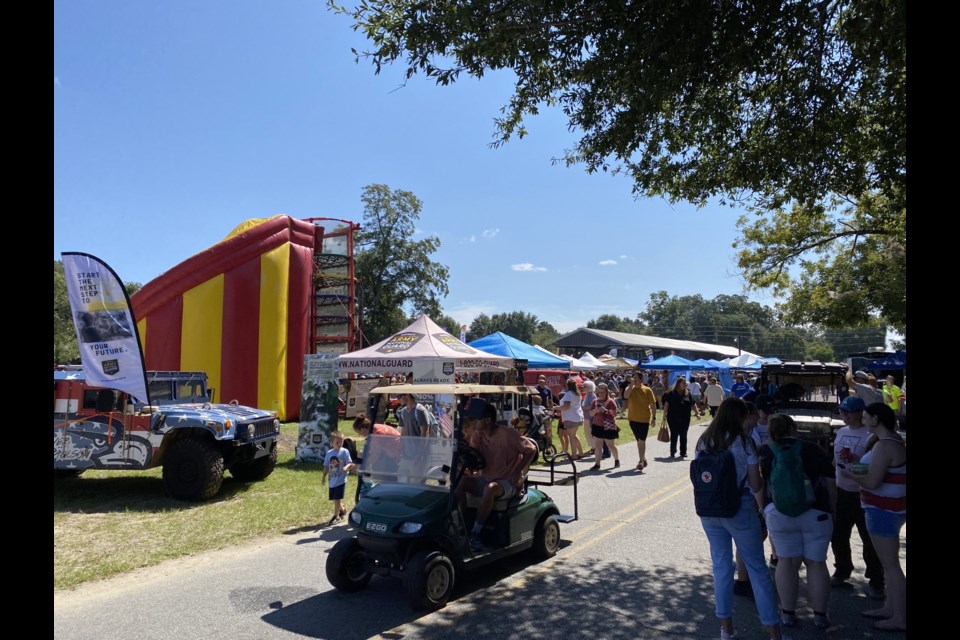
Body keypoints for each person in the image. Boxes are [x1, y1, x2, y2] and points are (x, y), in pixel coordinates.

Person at [694, 398, 790, 640]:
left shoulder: (704, 441)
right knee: (757, 568)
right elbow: (755, 484)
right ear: (740, 416)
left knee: (722, 567)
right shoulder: (744, 442)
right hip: (739, 507)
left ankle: (726, 628)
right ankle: (773, 630)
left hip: (710, 509)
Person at [758, 414, 837, 630]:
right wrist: (833, 509)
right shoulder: (812, 449)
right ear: (794, 428)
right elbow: (830, 482)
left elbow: (759, 483)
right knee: (816, 563)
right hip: (816, 512)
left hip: (778, 512)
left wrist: (763, 508)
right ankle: (820, 615)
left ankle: (787, 613)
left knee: (786, 561)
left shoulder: (765, 451)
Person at [839, 402, 906, 632]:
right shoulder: (890, 442)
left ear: (876, 419)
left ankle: (900, 617)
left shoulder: (884, 445)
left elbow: (872, 481)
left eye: (866, 417)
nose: (864, 420)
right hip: (886, 509)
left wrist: (849, 474)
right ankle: (891, 608)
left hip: (883, 511)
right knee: (889, 565)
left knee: (891, 565)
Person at [456, 398, 538, 550]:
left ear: (487, 420)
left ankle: (475, 533)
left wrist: (518, 471)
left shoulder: (507, 434)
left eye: (477, 419)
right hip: (485, 477)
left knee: (491, 488)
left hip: (507, 481)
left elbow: (531, 449)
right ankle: (464, 525)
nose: (474, 422)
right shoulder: (477, 435)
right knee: (460, 483)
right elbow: (474, 456)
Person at [829, 395, 885, 599]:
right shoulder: (841, 432)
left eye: (848, 411)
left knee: (869, 538)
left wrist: (856, 462)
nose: (843, 415)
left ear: (860, 413)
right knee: (838, 535)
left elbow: (874, 466)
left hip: (863, 492)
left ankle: (876, 580)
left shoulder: (870, 436)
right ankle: (842, 569)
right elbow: (835, 460)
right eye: (842, 411)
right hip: (841, 490)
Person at [623, 371, 658, 472]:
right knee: (639, 441)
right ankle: (643, 458)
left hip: (644, 419)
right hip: (632, 419)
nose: (634, 379)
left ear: (641, 379)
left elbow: (653, 405)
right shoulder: (630, 389)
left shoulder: (647, 390)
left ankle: (640, 461)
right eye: (633, 377)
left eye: (636, 378)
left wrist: (654, 417)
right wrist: (631, 385)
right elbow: (625, 396)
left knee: (641, 441)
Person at [322, 431, 356, 524]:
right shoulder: (329, 453)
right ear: (331, 443)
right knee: (334, 498)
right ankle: (343, 510)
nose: (340, 444)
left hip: (341, 480)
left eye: (341, 442)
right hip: (332, 480)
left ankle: (336, 516)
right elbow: (326, 466)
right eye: (337, 442)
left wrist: (346, 467)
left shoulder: (345, 452)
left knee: (337, 498)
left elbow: (350, 462)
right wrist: (323, 477)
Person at [587, 382, 620, 470]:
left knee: (610, 445)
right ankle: (597, 464)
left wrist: (605, 410)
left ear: (606, 392)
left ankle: (617, 460)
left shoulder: (610, 401)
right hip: (597, 426)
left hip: (608, 426)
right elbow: (590, 413)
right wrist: (596, 410)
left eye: (603, 392)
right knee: (598, 446)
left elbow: (615, 413)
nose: (600, 394)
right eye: (599, 392)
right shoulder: (595, 401)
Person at [661, 377, 697, 459]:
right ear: (678, 384)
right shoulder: (671, 393)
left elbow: (693, 404)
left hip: (685, 418)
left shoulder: (688, 394)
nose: (685, 385)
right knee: (674, 434)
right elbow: (666, 404)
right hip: (673, 417)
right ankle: (673, 451)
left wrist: (697, 413)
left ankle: (683, 452)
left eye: (685, 384)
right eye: (683, 383)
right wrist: (664, 415)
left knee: (683, 435)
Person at [556, 377, 585, 459]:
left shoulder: (568, 394)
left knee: (571, 436)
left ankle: (574, 455)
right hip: (577, 416)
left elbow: (565, 407)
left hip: (570, 417)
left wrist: (555, 408)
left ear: (567, 385)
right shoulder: (577, 394)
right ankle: (581, 453)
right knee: (574, 435)